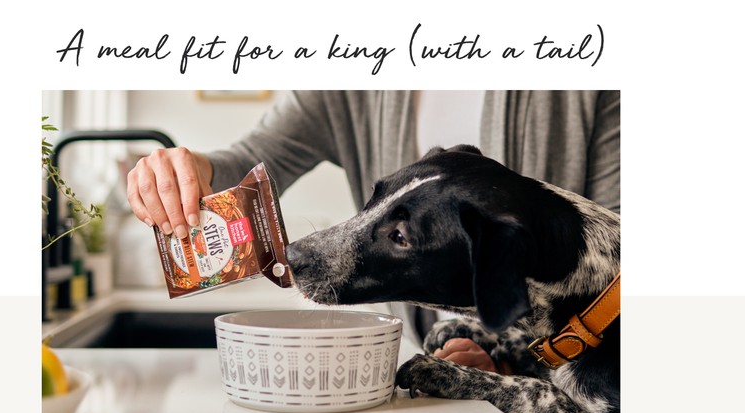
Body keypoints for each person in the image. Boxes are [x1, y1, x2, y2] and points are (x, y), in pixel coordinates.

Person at [125, 90, 619, 374]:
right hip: (399, 360)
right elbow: (248, 160)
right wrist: (184, 170)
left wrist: (518, 361)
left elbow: (615, 280)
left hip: (564, 369)